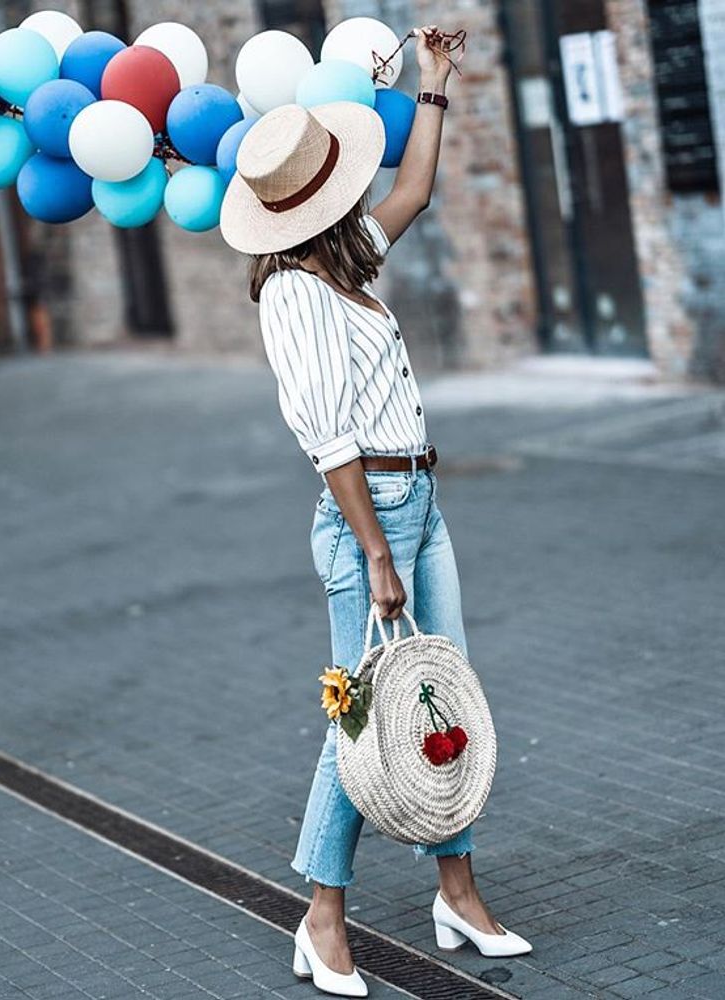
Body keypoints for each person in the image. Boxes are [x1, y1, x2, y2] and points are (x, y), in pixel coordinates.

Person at [220, 25, 532, 998]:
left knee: (441, 695)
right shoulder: (292, 300)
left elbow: (415, 192)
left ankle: (458, 894)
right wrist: (375, 552)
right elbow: (330, 439)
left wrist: (433, 86)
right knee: (357, 718)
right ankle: (320, 918)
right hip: (372, 514)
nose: (358, 189)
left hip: (417, 497)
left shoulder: (340, 262)